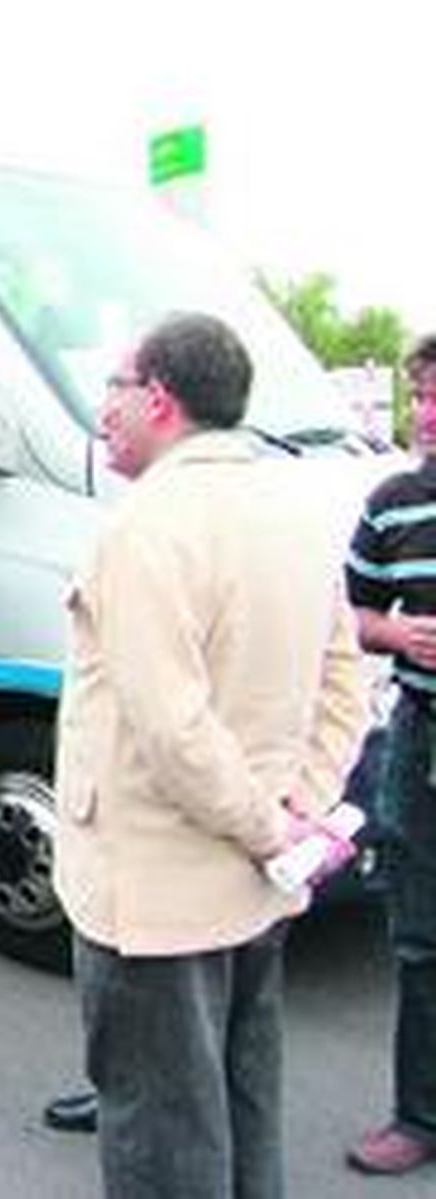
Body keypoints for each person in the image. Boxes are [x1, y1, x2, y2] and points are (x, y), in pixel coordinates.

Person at [54, 312, 368, 1197]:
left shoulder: (146, 526)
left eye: (115, 386)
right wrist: (298, 811)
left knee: (165, 1137)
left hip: (155, 904)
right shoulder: (294, 506)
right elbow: (343, 678)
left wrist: (273, 827)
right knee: (245, 1105)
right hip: (256, 890)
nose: (103, 407)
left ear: (158, 398)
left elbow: (171, 728)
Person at [343, 332, 436, 1176]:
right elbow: (355, 612)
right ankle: (418, 1117)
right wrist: (394, 629)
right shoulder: (392, 500)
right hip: (422, 739)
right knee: (419, 938)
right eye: (424, 398)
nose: (431, 416)